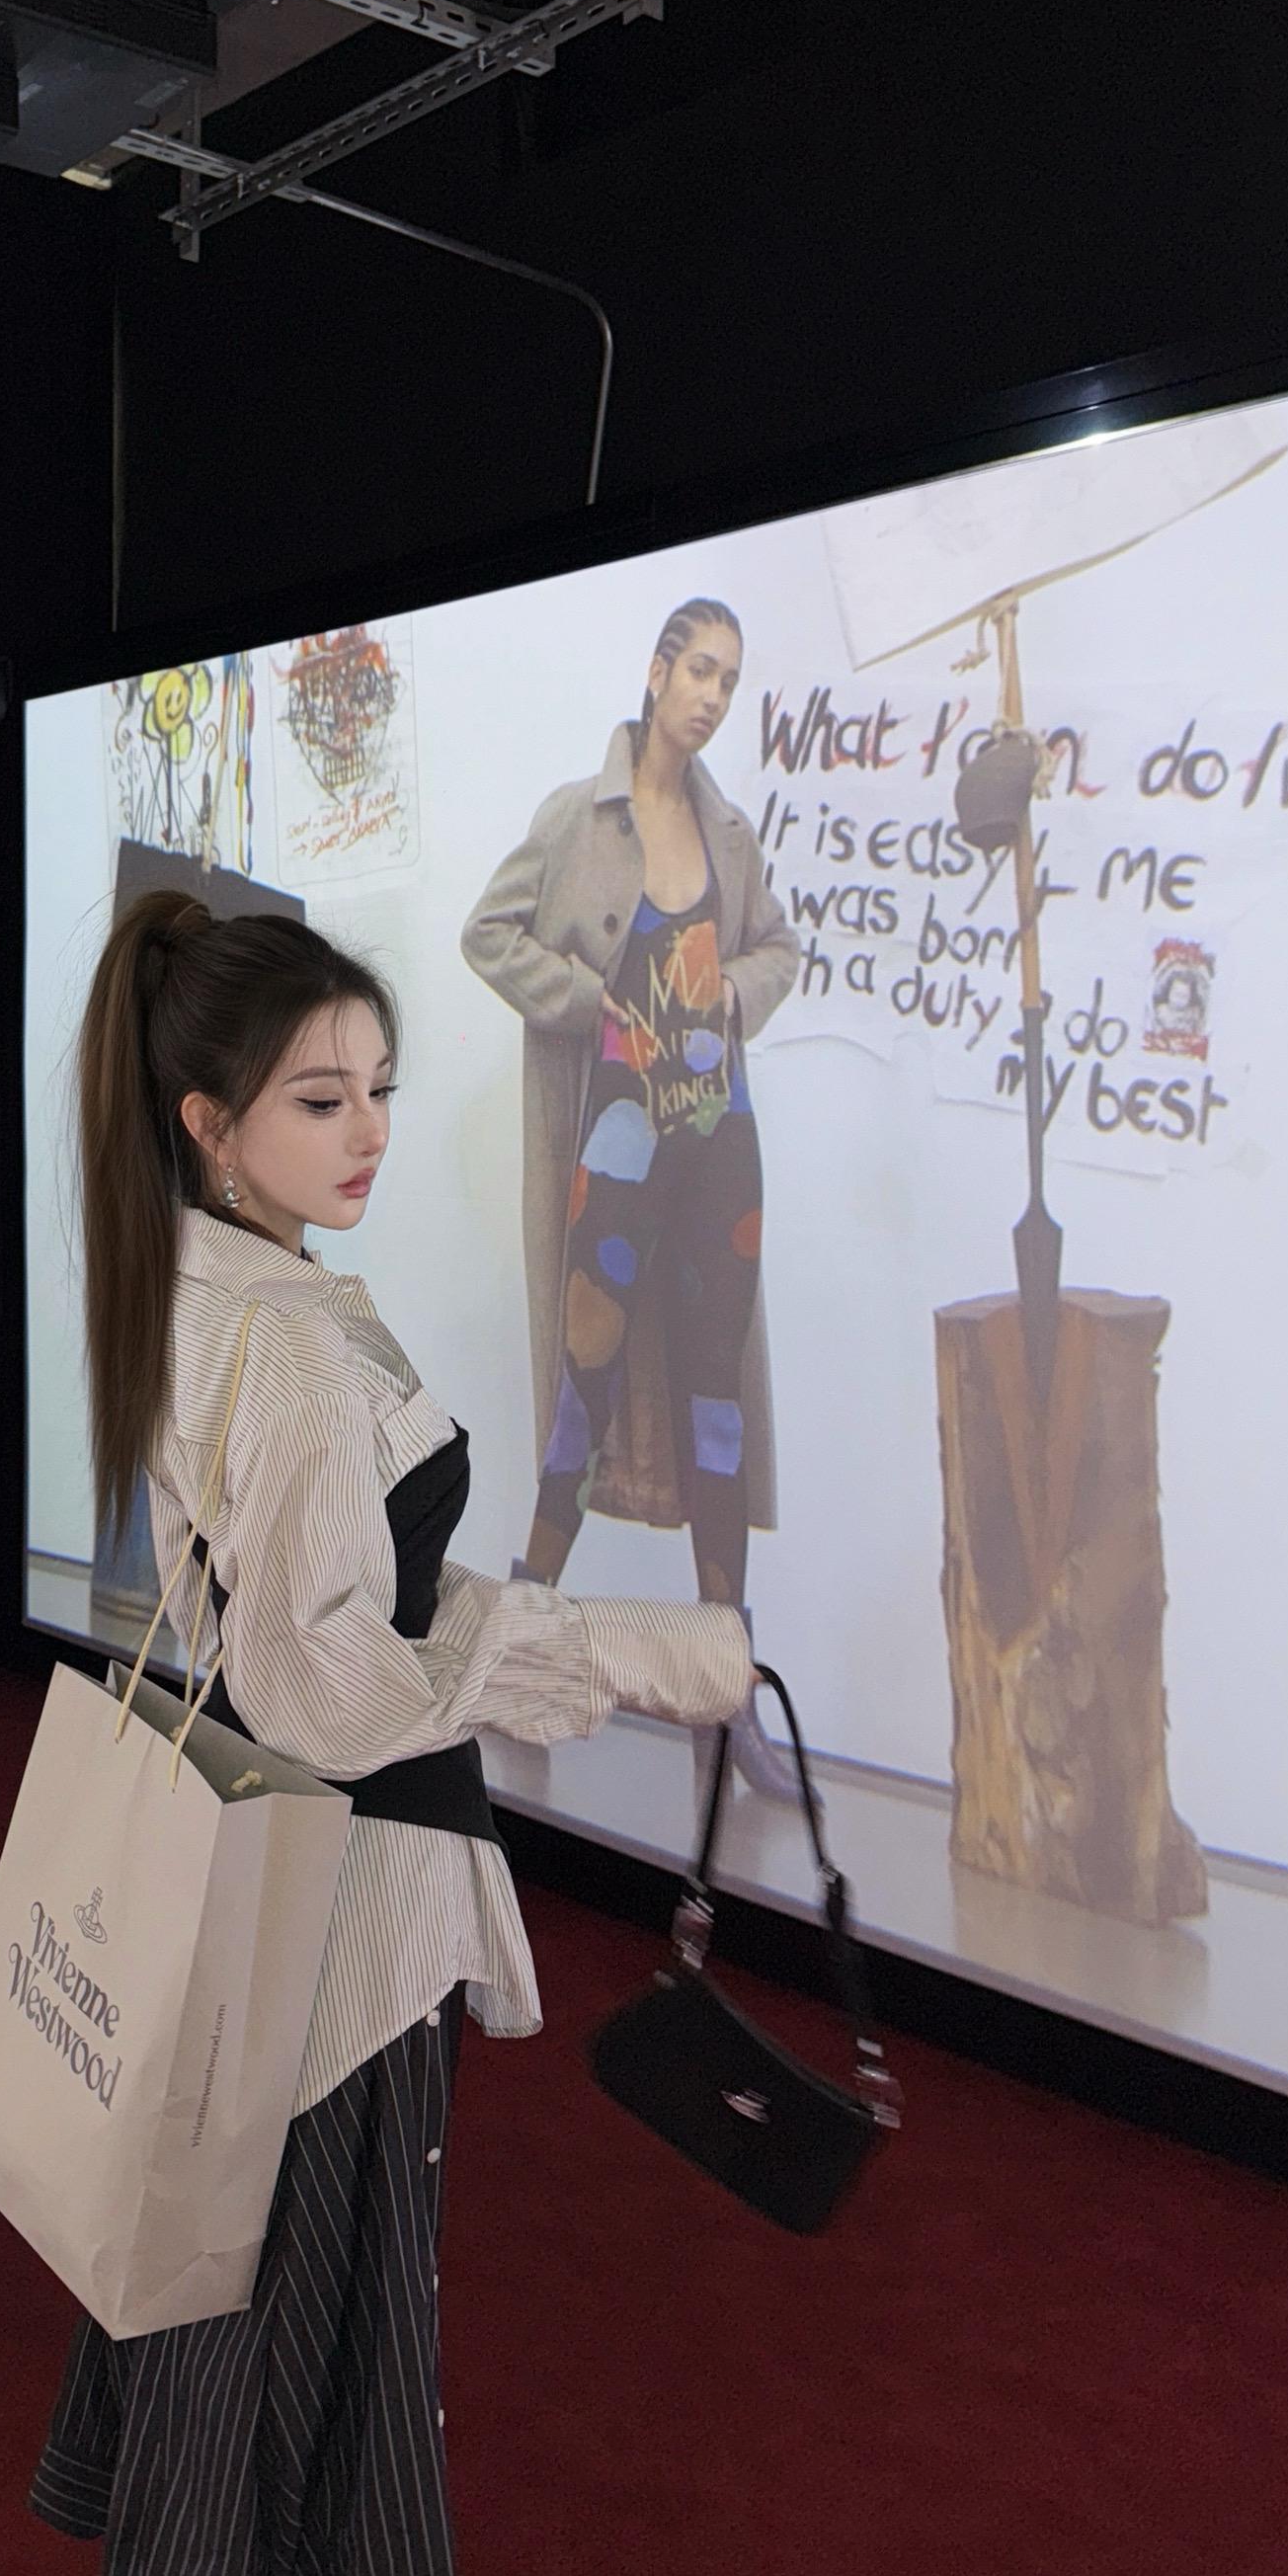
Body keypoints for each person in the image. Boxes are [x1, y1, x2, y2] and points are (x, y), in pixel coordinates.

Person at [35, 887, 758, 2576]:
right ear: (209, 1121)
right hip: (332, 1923)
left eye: (378, 1089)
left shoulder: (199, 1277)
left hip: (271, 1891)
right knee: (272, 2378)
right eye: (319, 1100)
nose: (367, 1132)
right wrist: (631, 1653)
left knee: (221, 2344)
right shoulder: (276, 1336)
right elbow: (334, 1689)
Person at [461, 598, 804, 1799]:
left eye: (729, 678)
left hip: (718, 1148)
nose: (711, 695)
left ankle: (726, 1694)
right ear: (657, 674)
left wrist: (734, 995)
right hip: (616, 1145)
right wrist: (591, 1003)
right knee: (583, 1391)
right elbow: (487, 932)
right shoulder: (578, 818)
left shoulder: (732, 834)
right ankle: (517, 1651)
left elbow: (780, 950)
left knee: (719, 1406)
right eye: (698, 670)